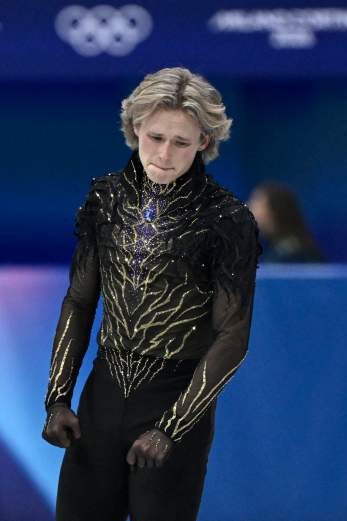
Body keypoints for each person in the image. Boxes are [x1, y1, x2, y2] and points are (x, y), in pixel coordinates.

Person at [41, 67, 261, 521]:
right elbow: (79, 302)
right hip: (101, 399)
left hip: (176, 401)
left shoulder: (228, 219)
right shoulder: (105, 197)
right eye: (155, 136)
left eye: (181, 142)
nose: (164, 154)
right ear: (136, 127)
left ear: (204, 141)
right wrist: (58, 397)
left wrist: (172, 427)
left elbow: (232, 338)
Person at [248, 182, 324, 263]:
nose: (249, 210)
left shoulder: (294, 255)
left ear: (274, 211)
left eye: (256, 205)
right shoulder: (274, 250)